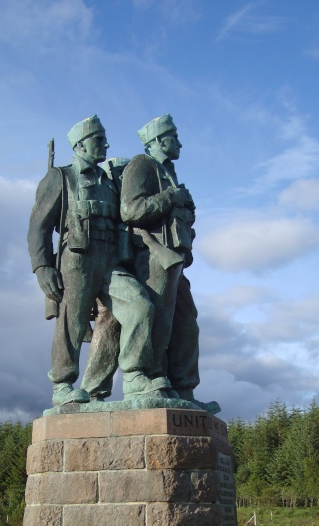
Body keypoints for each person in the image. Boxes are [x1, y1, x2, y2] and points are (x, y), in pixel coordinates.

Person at [27, 116, 171, 406]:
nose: (105, 144)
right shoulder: (61, 176)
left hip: (111, 259)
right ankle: (62, 385)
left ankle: (133, 374)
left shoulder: (110, 180)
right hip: (78, 259)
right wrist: (42, 267)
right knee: (73, 322)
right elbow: (38, 227)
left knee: (140, 306)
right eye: (98, 139)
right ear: (80, 144)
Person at [120, 114, 219, 413]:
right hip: (152, 254)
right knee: (158, 320)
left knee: (186, 324)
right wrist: (169, 198)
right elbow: (130, 210)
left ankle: (183, 388)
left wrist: (186, 212)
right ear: (159, 140)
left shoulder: (169, 172)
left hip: (175, 259)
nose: (179, 143)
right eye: (174, 137)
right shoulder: (142, 165)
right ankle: (147, 378)